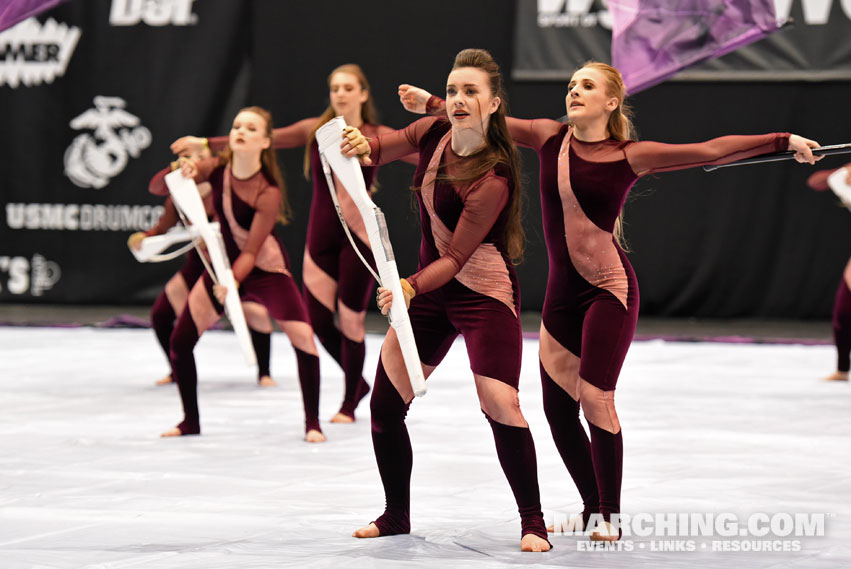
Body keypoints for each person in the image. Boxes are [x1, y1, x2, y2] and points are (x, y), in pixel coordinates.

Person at [399, 62, 821, 540]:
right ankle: (590, 505)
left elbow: (709, 150)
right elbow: (483, 120)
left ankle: (610, 516)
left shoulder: (630, 155)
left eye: (587, 86)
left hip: (608, 290)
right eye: (572, 84)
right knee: (558, 412)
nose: (574, 91)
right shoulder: (547, 136)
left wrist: (784, 140)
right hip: (562, 296)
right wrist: (431, 102)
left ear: (611, 102)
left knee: (596, 399)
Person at [341, 49, 550, 552]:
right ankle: (396, 516)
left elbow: (456, 257)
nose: (458, 100)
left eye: (470, 92)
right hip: (430, 295)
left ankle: (533, 522)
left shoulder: (495, 175)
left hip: (482, 295)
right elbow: (380, 148)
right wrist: (356, 142)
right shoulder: (432, 132)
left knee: (499, 402)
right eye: (453, 91)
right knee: (386, 404)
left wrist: (409, 286)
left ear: (493, 103)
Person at [171, 65, 415, 423]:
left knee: (350, 323)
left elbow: (419, 151)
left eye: (348, 88)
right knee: (317, 319)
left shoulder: (377, 134)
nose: (341, 94)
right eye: (335, 88)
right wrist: (206, 145)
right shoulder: (315, 130)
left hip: (359, 239)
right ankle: (357, 383)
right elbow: (269, 136)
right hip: (320, 237)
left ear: (363, 94)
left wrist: (456, 159)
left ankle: (349, 400)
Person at [158, 106, 326, 442]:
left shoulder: (268, 191)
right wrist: (185, 169)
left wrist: (232, 282)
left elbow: (251, 250)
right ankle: (190, 421)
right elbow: (169, 182)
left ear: (265, 142)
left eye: (251, 128)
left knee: (305, 341)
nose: (241, 132)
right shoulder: (217, 169)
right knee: (180, 341)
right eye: (237, 126)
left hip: (265, 270)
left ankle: (312, 422)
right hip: (223, 269)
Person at [128, 145, 275, 388]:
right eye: (185, 159)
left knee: (255, 313)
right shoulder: (179, 196)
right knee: (161, 313)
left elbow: (252, 231)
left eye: (198, 159)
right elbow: (162, 226)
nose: (191, 164)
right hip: (200, 264)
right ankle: (176, 369)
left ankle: (264, 372)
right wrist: (144, 237)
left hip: (234, 263)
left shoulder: (229, 189)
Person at [807, 163, 851, 381]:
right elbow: (815, 181)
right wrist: (843, 169)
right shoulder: (843, 179)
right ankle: (842, 369)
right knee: (843, 313)